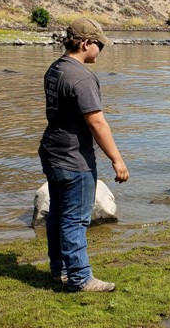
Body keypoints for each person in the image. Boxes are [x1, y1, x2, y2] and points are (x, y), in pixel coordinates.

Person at [39, 18, 129, 292]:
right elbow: (97, 122)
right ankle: (80, 278)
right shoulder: (81, 77)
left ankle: (61, 271)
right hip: (73, 158)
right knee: (75, 219)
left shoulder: (56, 69)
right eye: (99, 45)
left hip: (53, 151)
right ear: (86, 43)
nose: (101, 50)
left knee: (57, 214)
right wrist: (117, 159)